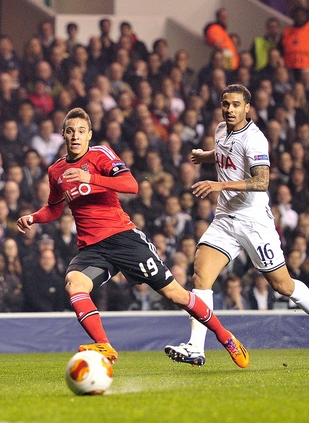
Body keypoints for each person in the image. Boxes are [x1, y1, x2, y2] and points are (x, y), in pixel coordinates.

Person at [16, 107, 249, 367]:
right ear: (63, 134)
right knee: (74, 283)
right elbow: (54, 208)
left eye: (81, 131)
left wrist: (90, 177)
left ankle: (225, 336)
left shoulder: (100, 155)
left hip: (123, 238)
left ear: (89, 135)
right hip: (93, 249)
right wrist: (33, 217)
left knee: (176, 295)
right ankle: (104, 346)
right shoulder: (56, 171)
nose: (75, 136)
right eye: (70, 131)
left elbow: (132, 185)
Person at [165, 84, 309, 367]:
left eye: (235, 104)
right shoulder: (221, 129)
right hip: (225, 218)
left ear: (247, 108)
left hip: (254, 221)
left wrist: (218, 184)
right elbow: (226, 153)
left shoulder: (255, 139)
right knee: (201, 277)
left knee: (282, 284)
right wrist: (206, 156)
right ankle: (196, 347)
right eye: (225, 104)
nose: (229, 109)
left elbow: (261, 181)